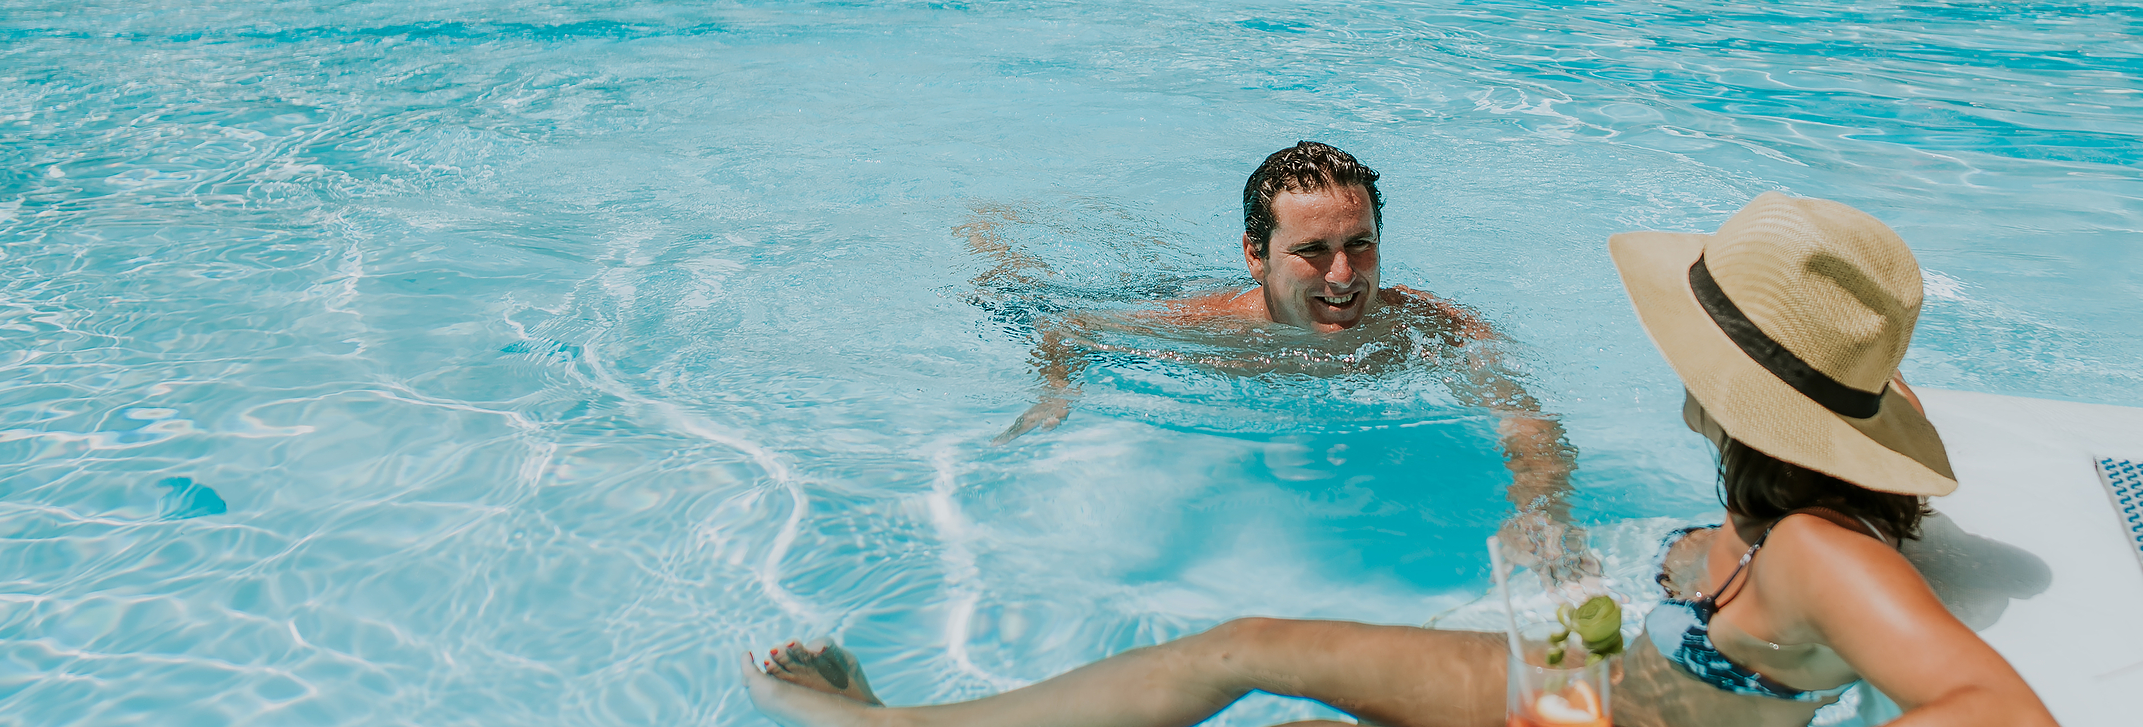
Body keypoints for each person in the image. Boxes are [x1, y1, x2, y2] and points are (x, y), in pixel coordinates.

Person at [753, 195, 2056, 727]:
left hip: (1580, 711)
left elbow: (2000, 712)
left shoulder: (1823, 548)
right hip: (1583, 671)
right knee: (1254, 635)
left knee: (1243, 642)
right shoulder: (1798, 515)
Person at [993, 141, 1574, 510]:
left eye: (1360, 244)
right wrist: (1055, 392)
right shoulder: (1207, 329)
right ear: (1255, 254)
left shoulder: (1426, 326)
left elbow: (1527, 419)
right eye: (1313, 250)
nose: (1343, 276)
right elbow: (1068, 328)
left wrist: (1541, 509)